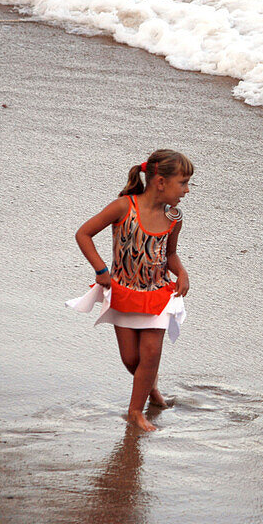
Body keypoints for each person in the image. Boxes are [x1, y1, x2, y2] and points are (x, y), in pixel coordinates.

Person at [70, 149, 193, 431]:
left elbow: (170, 254)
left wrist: (182, 272)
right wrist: (101, 270)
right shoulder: (124, 207)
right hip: (123, 292)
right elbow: (83, 233)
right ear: (160, 182)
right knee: (132, 360)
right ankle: (150, 389)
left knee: (150, 353)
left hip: (159, 294)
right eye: (183, 183)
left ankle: (135, 412)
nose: (186, 191)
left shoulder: (174, 217)